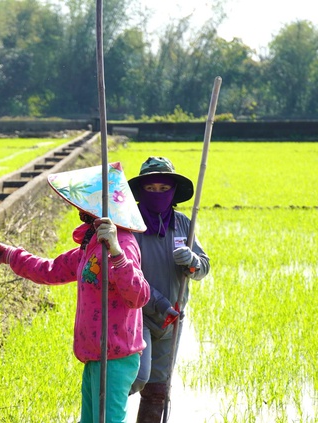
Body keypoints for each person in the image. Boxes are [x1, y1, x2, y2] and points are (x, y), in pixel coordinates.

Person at [0, 182, 150, 422]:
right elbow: (51, 270)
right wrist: (9, 255)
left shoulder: (121, 243)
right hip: (95, 354)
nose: (80, 208)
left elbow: (139, 296)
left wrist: (116, 253)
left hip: (116, 356)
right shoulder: (90, 245)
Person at [126, 157, 210, 423]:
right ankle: (104, 411)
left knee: (158, 390)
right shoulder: (129, 225)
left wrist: (193, 263)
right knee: (138, 377)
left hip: (173, 318)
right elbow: (127, 274)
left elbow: (204, 266)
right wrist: (160, 303)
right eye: (151, 189)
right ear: (140, 191)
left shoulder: (184, 223)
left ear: (173, 192)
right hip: (138, 316)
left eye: (164, 189)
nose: (158, 194)